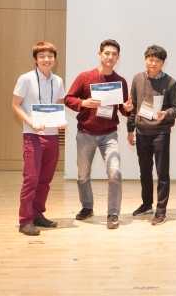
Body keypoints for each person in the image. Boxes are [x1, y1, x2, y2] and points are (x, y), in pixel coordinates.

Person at [64, 39, 133, 230]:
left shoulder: (120, 81)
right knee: (83, 175)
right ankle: (87, 207)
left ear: (118, 57)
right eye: (107, 53)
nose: (110, 57)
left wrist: (127, 109)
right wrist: (83, 103)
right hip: (85, 134)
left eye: (114, 54)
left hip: (109, 135)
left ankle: (113, 213)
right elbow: (68, 99)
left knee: (115, 173)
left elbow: (123, 109)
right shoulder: (85, 77)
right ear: (100, 54)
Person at [12, 42, 67, 236]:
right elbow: (15, 105)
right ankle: (25, 220)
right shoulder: (26, 79)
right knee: (31, 179)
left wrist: (61, 122)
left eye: (50, 56)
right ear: (36, 59)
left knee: (45, 180)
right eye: (42, 56)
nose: (46, 59)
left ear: (54, 59)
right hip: (33, 135)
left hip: (52, 136)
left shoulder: (58, 81)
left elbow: (58, 106)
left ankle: (37, 214)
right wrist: (31, 122)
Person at [127, 45, 176, 226]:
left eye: (157, 61)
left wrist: (166, 113)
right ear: (145, 60)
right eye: (150, 59)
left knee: (162, 173)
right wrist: (130, 129)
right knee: (144, 171)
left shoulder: (171, 83)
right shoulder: (137, 79)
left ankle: (161, 210)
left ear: (163, 63)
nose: (153, 63)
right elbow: (133, 106)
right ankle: (146, 204)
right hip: (141, 132)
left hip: (161, 132)